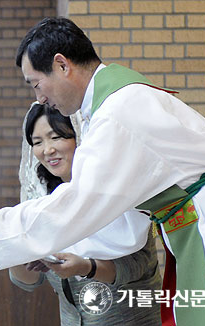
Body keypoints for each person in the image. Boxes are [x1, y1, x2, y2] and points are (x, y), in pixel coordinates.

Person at [0, 17, 205, 326]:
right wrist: (50, 247)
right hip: (189, 225)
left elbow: (79, 203)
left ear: (62, 65)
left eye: (36, 84)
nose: (40, 98)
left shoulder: (117, 112)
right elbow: (122, 227)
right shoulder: (113, 105)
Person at [9, 102, 161, 325]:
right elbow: (29, 282)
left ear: (80, 137)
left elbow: (138, 265)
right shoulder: (41, 199)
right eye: (38, 142)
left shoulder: (116, 188)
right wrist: (19, 254)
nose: (47, 149)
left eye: (56, 137)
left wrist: (84, 266)